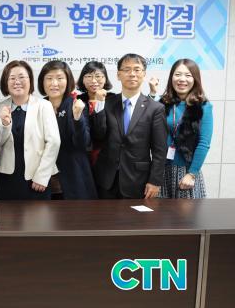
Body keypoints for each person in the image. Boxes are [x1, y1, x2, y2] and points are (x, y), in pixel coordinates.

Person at [91, 53, 168, 199]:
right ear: (118, 75)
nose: (132, 74)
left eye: (137, 69)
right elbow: (98, 135)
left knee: (135, 215)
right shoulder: (107, 103)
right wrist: (99, 105)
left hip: (138, 180)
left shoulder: (155, 109)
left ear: (144, 75)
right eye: (126, 69)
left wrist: (155, 181)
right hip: (106, 179)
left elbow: (160, 149)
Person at [0, 60, 61, 200]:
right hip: (7, 178)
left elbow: (54, 142)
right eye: (12, 78)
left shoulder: (44, 105)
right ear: (6, 82)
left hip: (36, 179)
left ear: (30, 80)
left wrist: (42, 176)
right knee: (6, 214)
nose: (17, 82)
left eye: (22, 77)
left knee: (38, 214)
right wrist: (4, 124)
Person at [39, 61, 97, 200]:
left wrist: (77, 118)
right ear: (42, 82)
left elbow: (83, 143)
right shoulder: (38, 106)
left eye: (60, 78)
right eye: (49, 78)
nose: (54, 83)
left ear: (68, 81)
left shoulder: (77, 104)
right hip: (42, 180)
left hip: (74, 178)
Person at [159, 59, 212, 199]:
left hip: (186, 173)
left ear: (195, 79)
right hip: (161, 170)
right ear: (171, 78)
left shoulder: (204, 106)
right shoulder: (163, 103)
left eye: (188, 75)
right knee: (159, 212)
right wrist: (152, 93)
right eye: (178, 74)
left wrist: (192, 174)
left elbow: (204, 143)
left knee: (185, 213)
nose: (182, 79)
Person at [77, 61, 115, 166]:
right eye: (89, 76)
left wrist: (100, 102)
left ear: (105, 79)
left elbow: (101, 133)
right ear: (82, 79)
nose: (93, 81)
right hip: (81, 156)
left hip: (107, 157)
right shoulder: (77, 100)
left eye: (98, 76)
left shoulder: (114, 99)